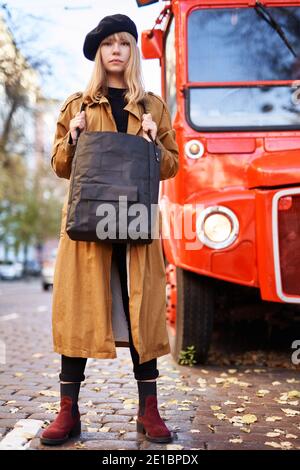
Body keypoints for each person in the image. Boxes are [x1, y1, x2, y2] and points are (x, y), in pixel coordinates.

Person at [40, 14, 179, 446]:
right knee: (79, 308)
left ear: (133, 51)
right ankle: (69, 412)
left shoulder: (152, 106)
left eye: (123, 43)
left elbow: (172, 166)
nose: (115, 50)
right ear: (99, 53)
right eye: (107, 44)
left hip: (134, 218)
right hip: (87, 222)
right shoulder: (77, 105)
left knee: (141, 310)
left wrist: (155, 141)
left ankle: (149, 410)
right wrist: (73, 138)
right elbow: (60, 166)